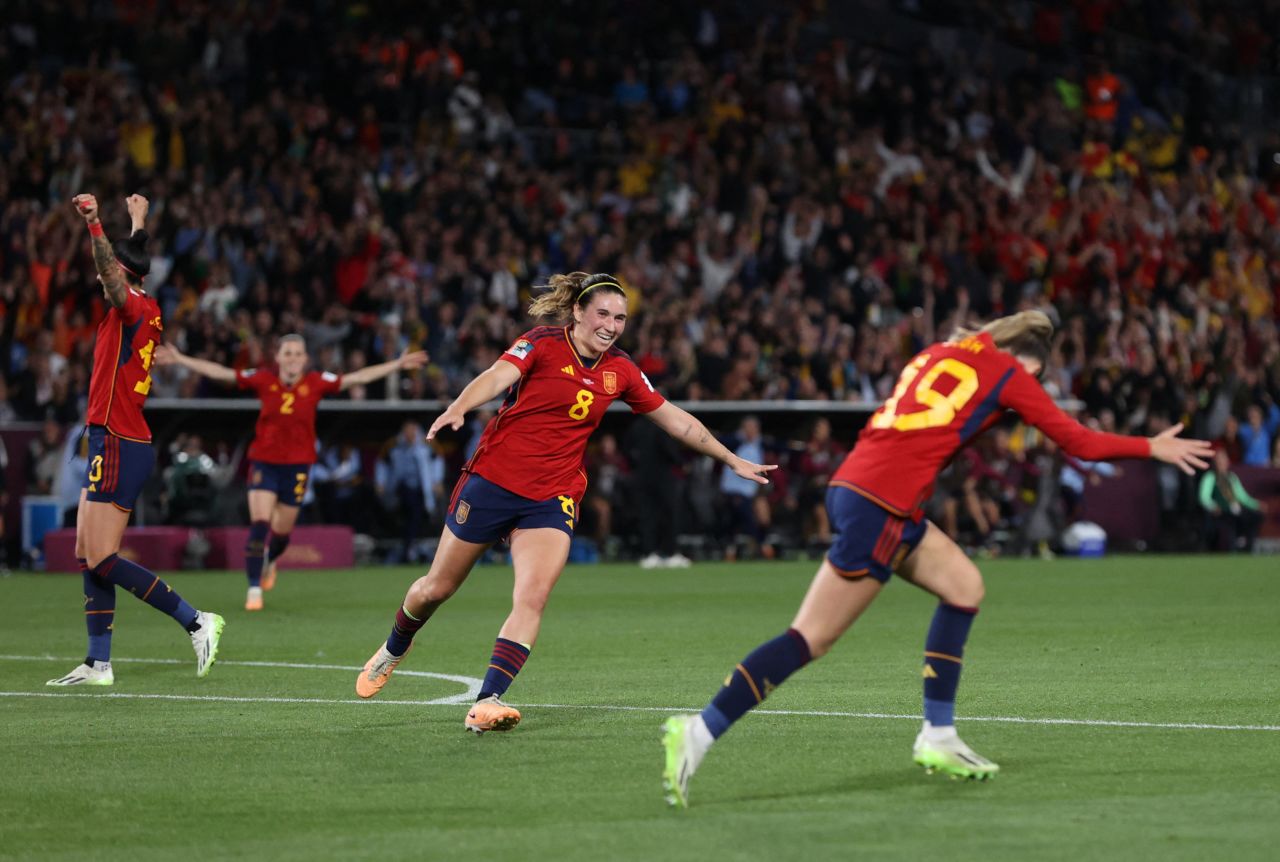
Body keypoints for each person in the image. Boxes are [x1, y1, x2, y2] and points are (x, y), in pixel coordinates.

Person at [660, 310, 1213, 807]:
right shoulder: (1009, 372)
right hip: (881, 505)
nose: (1032, 391)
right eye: (1037, 378)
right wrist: (1151, 447)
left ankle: (939, 735)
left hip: (868, 490)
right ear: (1027, 361)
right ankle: (700, 731)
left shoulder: (938, 353)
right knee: (810, 638)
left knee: (964, 585)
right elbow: (1079, 442)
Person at [353, 272, 776, 732]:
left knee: (532, 596)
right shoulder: (541, 343)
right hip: (492, 482)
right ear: (577, 311)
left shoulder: (622, 370)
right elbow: (497, 375)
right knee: (436, 588)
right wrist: (460, 406)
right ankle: (396, 645)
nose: (612, 325)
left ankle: (488, 700)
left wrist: (730, 458)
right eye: (603, 314)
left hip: (552, 496)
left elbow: (675, 419)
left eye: (620, 318)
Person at [48, 193, 225, 687]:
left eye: (109, 275)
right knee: (87, 551)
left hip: (121, 441)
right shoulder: (143, 302)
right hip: (109, 437)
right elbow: (129, 260)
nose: (102, 280)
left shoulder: (129, 307)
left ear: (123, 278)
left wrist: (96, 225)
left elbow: (110, 272)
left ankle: (196, 620)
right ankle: (98, 662)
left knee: (103, 556)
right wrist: (139, 220)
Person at [155, 337, 426, 610]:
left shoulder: (316, 382)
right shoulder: (263, 379)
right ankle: (253, 590)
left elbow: (356, 378)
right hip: (263, 463)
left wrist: (397, 364)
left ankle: (271, 561)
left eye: (298, 353)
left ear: (305, 359)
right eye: (288, 353)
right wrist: (182, 359)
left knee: (281, 534)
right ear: (279, 358)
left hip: (296, 468)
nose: (293, 358)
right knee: (259, 524)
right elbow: (223, 373)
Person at [1199, 447, 1265, 552]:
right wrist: (1213, 506)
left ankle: (1246, 544)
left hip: (1235, 508)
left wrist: (1256, 505)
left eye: (1223, 459)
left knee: (1255, 516)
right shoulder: (1210, 477)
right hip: (1221, 510)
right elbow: (1204, 497)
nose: (1221, 462)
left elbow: (1242, 497)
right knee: (1232, 518)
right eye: (1218, 460)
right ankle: (1234, 544)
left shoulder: (1232, 477)